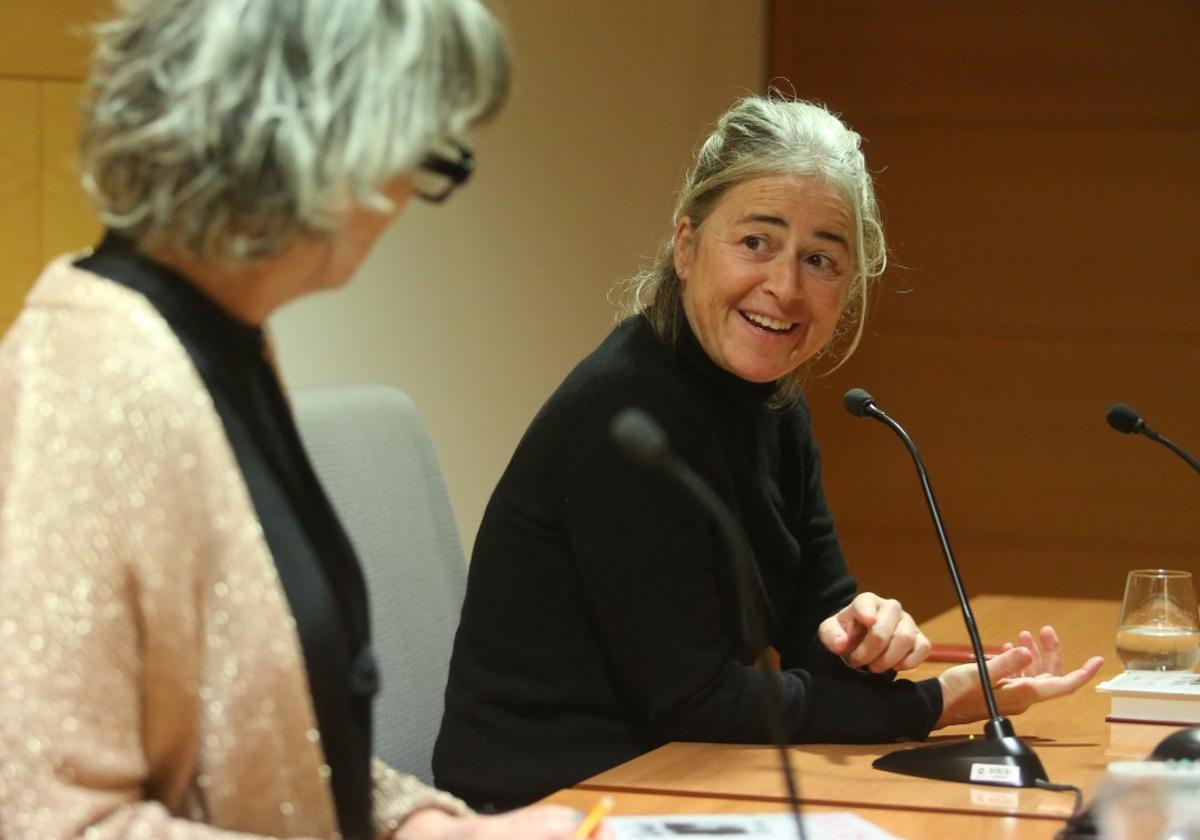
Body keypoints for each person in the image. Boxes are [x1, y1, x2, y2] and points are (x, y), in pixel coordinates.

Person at [0, 1, 609, 839]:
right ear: (319, 151)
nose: (404, 200)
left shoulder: (217, 344)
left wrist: (433, 828)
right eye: (420, 157)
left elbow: (276, 744)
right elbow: (51, 821)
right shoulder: (97, 381)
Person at [432, 94, 1105, 811]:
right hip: (546, 800)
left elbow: (817, 627)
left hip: (682, 775)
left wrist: (869, 638)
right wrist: (934, 703)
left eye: (819, 259)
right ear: (685, 246)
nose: (784, 288)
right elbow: (696, 699)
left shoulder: (774, 402)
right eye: (756, 242)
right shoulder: (626, 414)